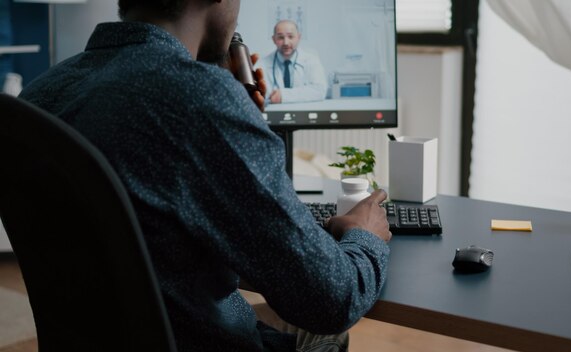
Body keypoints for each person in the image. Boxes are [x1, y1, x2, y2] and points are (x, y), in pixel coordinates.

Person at [19, 0, 391, 351]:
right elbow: (332, 299)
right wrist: (365, 236)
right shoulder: (198, 96)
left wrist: (233, 120)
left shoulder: (42, 94)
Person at [258, 19, 328, 104]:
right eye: (280, 37)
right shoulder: (262, 64)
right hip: (274, 114)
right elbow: (261, 95)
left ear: (298, 37)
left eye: (290, 37)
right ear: (274, 39)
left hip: (303, 113)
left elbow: (320, 91)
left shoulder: (311, 60)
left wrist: (283, 96)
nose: (286, 43)